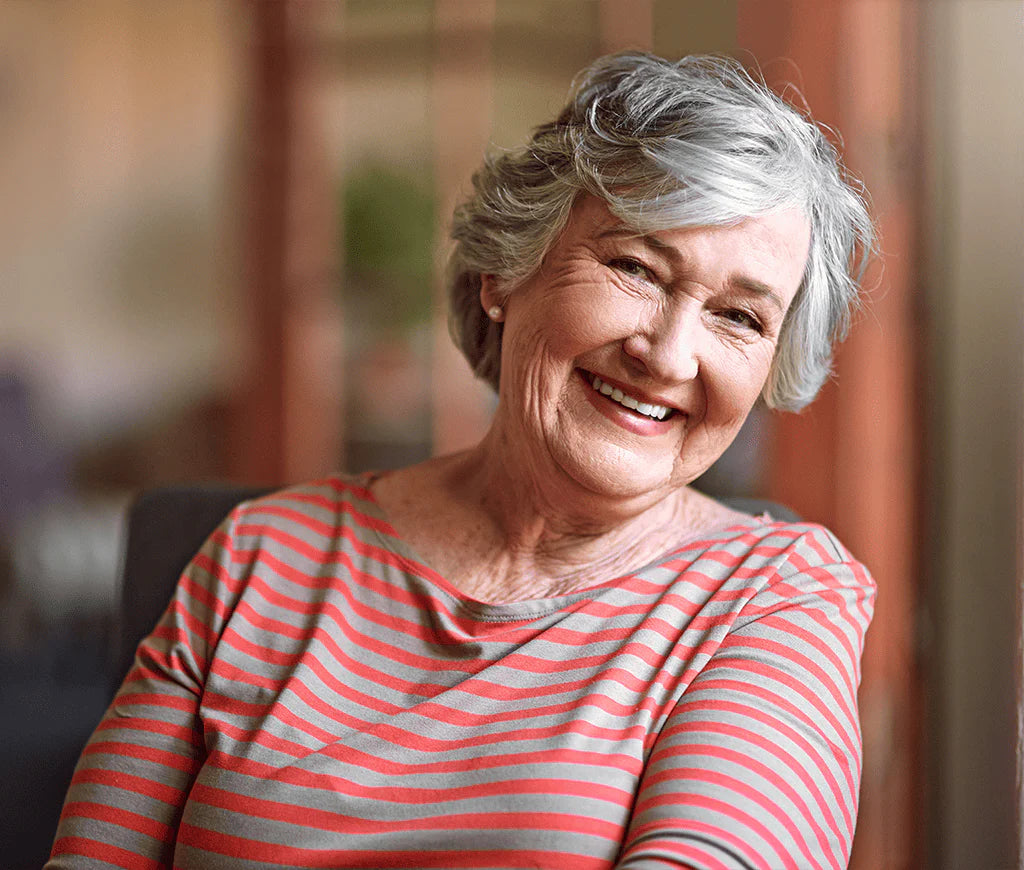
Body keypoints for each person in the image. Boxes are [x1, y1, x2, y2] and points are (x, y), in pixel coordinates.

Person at [49, 52, 875, 869]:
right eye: (635, 268)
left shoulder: (776, 597)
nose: (668, 355)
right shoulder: (258, 556)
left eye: (738, 318)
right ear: (504, 274)